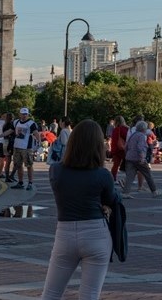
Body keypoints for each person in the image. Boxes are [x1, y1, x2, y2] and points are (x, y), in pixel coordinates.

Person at [40, 119, 118, 300]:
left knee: (51, 293)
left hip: (65, 232)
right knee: (89, 294)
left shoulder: (56, 171)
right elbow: (111, 200)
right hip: (96, 233)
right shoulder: (103, 175)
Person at [122, 121, 162, 199]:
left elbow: (126, 146)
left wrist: (127, 154)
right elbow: (140, 147)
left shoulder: (133, 135)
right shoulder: (141, 136)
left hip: (130, 157)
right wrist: (142, 158)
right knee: (148, 174)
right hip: (138, 158)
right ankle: (154, 191)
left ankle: (126, 192)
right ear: (144, 129)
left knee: (130, 176)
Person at [10, 107, 40, 191]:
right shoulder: (16, 122)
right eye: (23, 114)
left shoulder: (31, 123)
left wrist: (39, 143)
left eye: (26, 114)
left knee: (29, 165)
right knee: (18, 165)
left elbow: (36, 133)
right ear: (19, 114)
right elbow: (10, 130)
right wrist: (0, 136)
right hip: (17, 146)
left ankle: (30, 183)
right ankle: (20, 182)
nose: (24, 115)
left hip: (26, 148)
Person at [109, 115, 128, 183]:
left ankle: (113, 179)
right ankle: (129, 178)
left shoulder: (115, 129)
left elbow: (114, 141)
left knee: (116, 165)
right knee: (128, 165)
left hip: (117, 149)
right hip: (124, 149)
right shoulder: (126, 129)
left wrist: (112, 150)